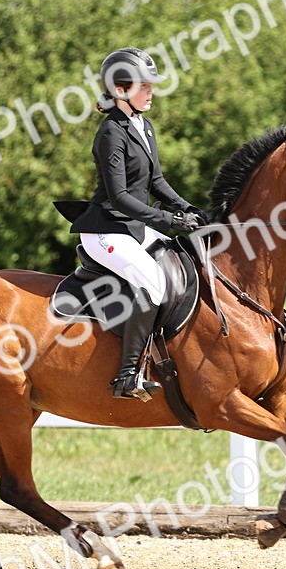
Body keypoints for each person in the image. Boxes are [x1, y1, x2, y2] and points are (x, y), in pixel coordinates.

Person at [69, 48, 208, 400]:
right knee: (152, 280)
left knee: (183, 260)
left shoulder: (143, 125)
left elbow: (156, 181)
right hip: (105, 230)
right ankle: (128, 375)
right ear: (120, 90)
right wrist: (169, 219)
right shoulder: (110, 134)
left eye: (151, 85)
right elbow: (119, 198)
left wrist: (188, 208)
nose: (150, 91)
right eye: (143, 85)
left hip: (133, 227)